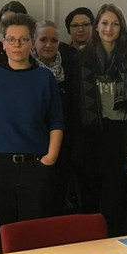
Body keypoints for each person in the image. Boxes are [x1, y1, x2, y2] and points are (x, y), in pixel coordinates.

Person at [0, 13, 64, 252]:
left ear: (32, 42)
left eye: (23, 40)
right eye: (11, 39)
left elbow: (56, 121)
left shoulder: (44, 77)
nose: (17, 45)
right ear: (3, 43)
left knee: (34, 234)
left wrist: (50, 159)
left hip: (36, 167)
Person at [74, 4, 127, 236]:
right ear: (97, 27)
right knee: (89, 205)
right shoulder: (82, 59)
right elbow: (73, 106)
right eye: (105, 23)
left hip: (122, 139)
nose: (109, 29)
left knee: (116, 207)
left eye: (115, 24)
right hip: (91, 139)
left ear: (122, 28)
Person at [32, 19, 79, 214]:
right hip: (34, 145)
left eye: (54, 40)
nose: (49, 45)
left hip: (64, 144)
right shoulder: (25, 68)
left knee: (58, 199)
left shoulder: (71, 65)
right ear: (33, 41)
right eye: (43, 39)